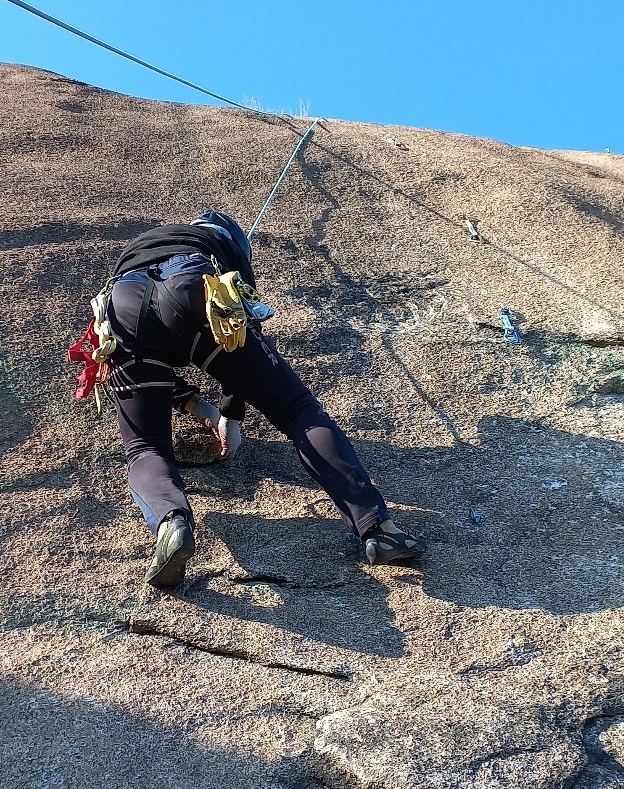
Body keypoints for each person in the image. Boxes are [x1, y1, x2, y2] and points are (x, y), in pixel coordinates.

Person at [102, 211, 426, 587]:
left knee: (145, 447)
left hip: (122, 304)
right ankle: (376, 529)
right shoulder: (224, 247)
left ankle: (170, 522)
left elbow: (141, 349)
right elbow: (239, 334)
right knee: (297, 409)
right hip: (194, 282)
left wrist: (206, 410)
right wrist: (231, 414)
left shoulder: (145, 243)